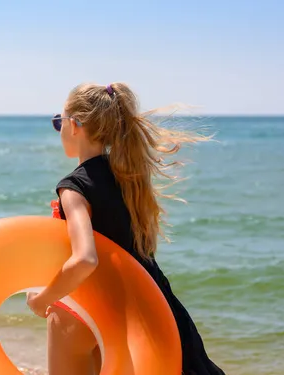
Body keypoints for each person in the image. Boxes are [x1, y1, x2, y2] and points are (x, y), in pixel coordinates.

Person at [26, 82, 225, 375]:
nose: (59, 130)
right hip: (147, 304)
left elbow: (85, 259)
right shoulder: (129, 178)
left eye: (59, 122)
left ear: (75, 125)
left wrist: (42, 299)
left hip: (90, 307)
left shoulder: (73, 187)